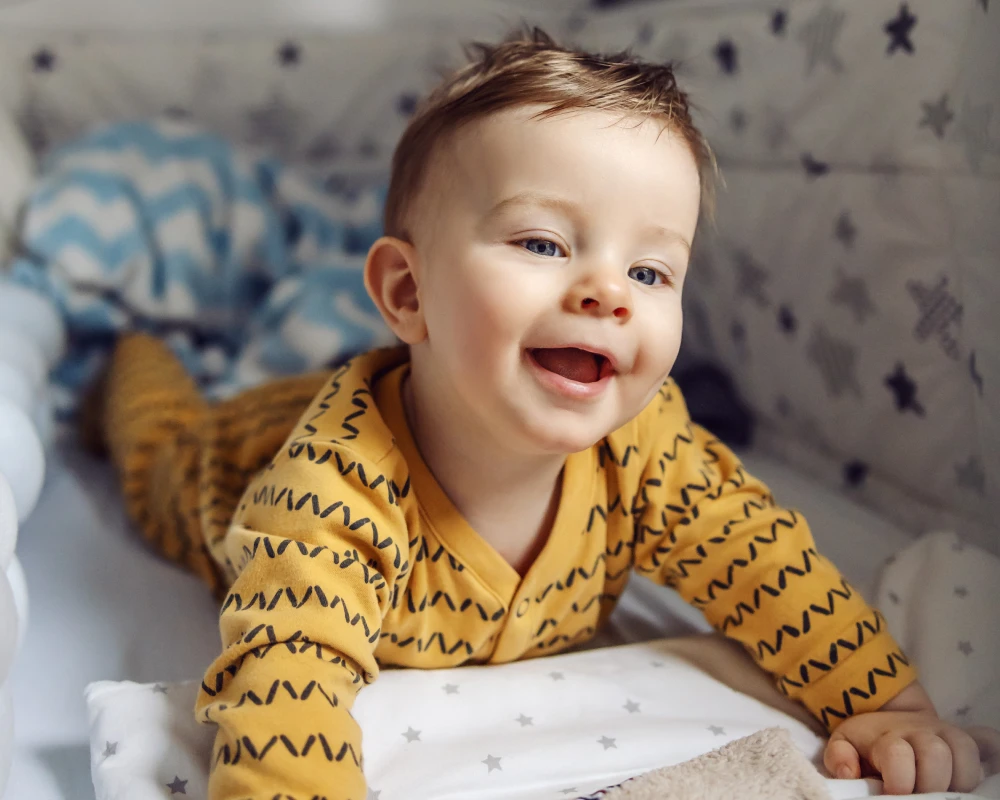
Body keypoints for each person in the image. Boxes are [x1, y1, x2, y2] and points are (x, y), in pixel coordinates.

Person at [93, 26, 993, 799]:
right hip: (226, 459)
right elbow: (284, 677)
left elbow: (763, 563)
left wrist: (882, 705)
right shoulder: (327, 495)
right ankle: (128, 351)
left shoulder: (645, 448)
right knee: (153, 429)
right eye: (543, 242)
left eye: (651, 271)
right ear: (407, 292)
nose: (608, 290)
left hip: (416, 373)